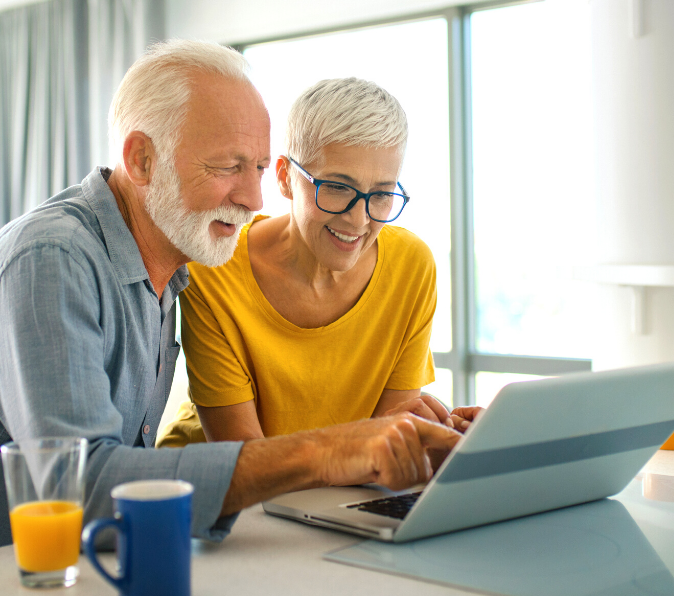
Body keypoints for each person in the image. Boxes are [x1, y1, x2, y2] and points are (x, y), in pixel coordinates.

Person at [0, 40, 462, 580]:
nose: (251, 199)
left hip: (59, 571)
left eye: (253, 168)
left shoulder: (172, 270)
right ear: (140, 159)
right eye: (225, 168)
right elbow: (81, 488)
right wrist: (325, 450)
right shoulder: (53, 258)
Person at [158, 78, 464, 448]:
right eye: (337, 187)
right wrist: (368, 449)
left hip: (337, 495)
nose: (359, 220)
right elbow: (242, 460)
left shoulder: (411, 267)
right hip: (214, 495)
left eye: (381, 194)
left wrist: (445, 442)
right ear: (286, 178)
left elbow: (387, 448)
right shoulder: (216, 265)